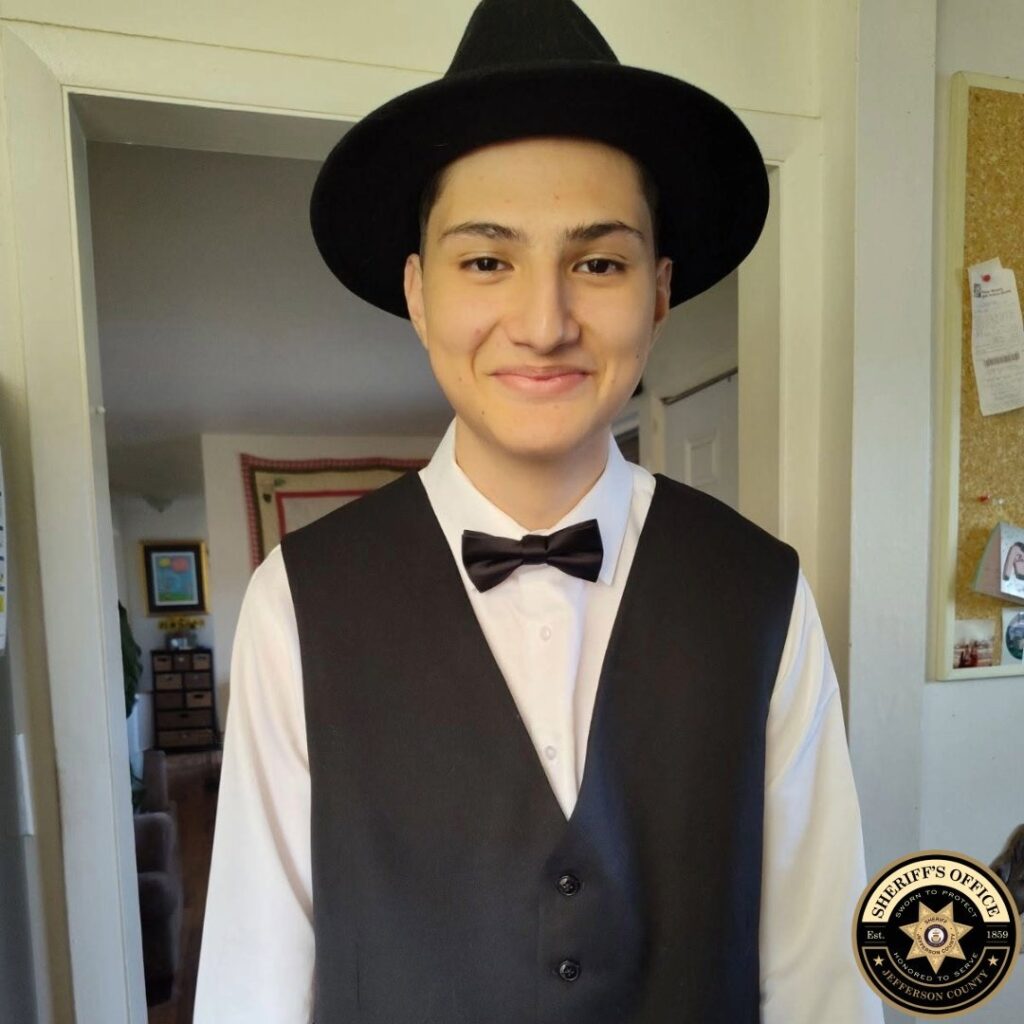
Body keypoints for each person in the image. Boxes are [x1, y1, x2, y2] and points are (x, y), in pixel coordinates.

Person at [194, 1, 884, 1021]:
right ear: (419, 292)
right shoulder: (296, 601)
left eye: (595, 263)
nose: (543, 320)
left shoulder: (761, 592)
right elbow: (255, 977)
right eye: (486, 260)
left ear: (656, 293)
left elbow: (820, 969)